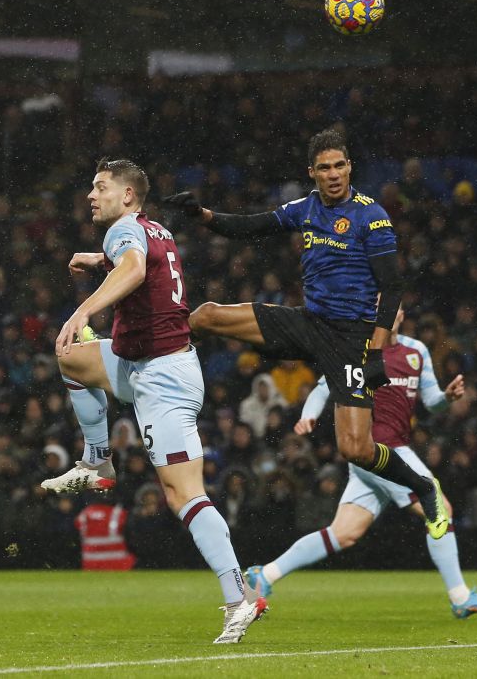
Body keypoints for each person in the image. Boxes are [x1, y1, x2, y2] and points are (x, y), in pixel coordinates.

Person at [163, 129, 449, 538]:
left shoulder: (373, 216)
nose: (333, 174)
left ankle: (423, 485)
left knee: (356, 449)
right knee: (206, 315)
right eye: (324, 168)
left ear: (349, 167)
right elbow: (251, 226)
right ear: (311, 172)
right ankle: (140, 348)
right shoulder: (307, 208)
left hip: (352, 339)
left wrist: (376, 350)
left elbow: (393, 286)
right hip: (308, 324)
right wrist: (202, 215)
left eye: (340, 166)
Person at [37, 158, 264, 644]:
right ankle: (97, 461)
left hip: (164, 378)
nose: (91, 196)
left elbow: (136, 269)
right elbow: (145, 261)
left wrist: (84, 307)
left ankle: (239, 598)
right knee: (72, 361)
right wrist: (99, 263)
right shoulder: (152, 228)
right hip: (139, 362)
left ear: (128, 197)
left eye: (100, 187)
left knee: (184, 495)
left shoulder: (122, 232)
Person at [244, 308, 477, 618]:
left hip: (385, 454)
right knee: (440, 508)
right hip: (378, 449)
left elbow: (431, 402)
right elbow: (323, 387)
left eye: (391, 307)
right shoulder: (358, 349)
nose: (387, 312)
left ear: (400, 314)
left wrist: (447, 398)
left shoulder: (417, 350)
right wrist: (308, 415)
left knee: (344, 533)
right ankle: (461, 597)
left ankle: (266, 575)